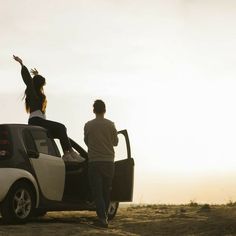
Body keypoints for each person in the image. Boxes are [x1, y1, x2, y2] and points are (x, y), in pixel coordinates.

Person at [13, 55, 85, 163]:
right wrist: (22, 64)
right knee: (61, 127)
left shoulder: (38, 94)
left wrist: (37, 75)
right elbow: (28, 80)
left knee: (61, 132)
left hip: (41, 121)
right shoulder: (32, 93)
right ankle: (68, 153)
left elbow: (34, 83)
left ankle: (69, 152)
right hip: (36, 121)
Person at [84, 100, 118, 228]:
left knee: (97, 192)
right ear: (105, 110)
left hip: (95, 161)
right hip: (109, 161)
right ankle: (105, 217)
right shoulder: (111, 125)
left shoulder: (88, 125)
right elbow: (115, 142)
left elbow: (86, 141)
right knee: (106, 191)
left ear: (94, 110)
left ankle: (102, 219)